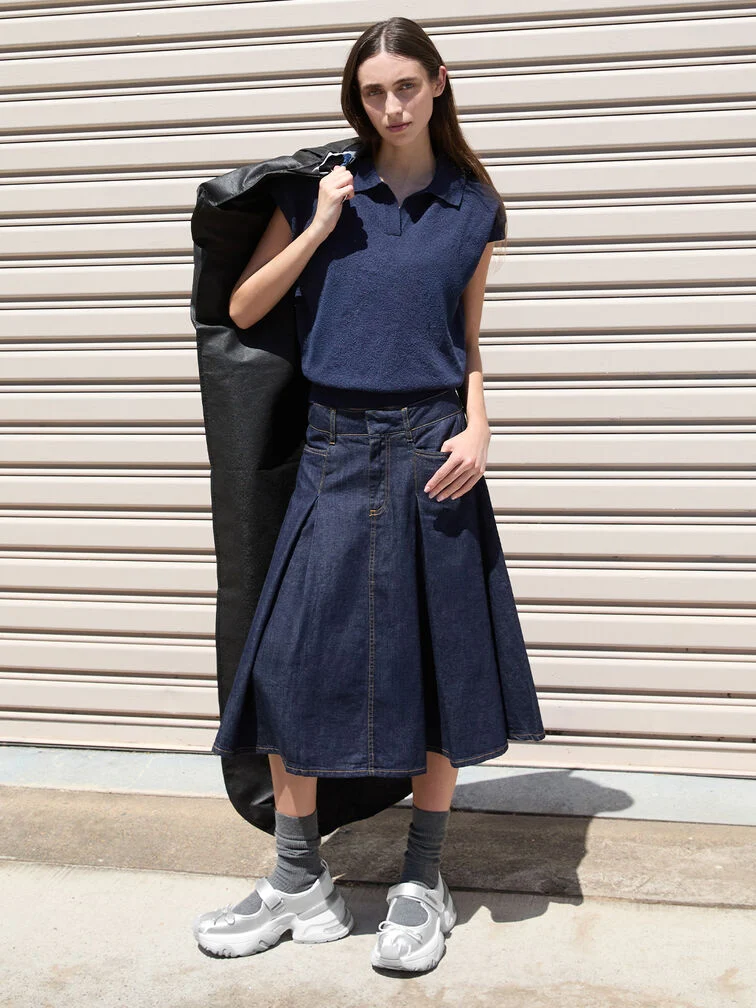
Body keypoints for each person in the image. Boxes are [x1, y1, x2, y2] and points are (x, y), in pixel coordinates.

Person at [192, 16, 545, 974]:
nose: (390, 106)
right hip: (334, 450)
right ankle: (299, 877)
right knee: (292, 664)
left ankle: (419, 880)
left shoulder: (475, 205)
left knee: (440, 666)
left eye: (405, 87)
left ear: (438, 83)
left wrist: (479, 427)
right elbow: (246, 307)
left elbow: (467, 338)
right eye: (373, 91)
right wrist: (317, 225)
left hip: (434, 452)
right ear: (359, 96)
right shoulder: (321, 186)